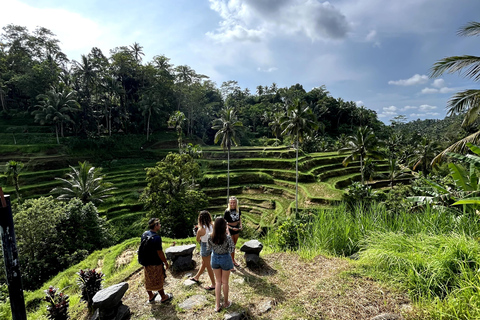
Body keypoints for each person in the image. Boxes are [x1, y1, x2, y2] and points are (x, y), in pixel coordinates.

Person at [142, 218, 173, 304]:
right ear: (155, 226)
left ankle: (151, 296)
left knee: (148, 278)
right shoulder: (156, 238)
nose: (160, 226)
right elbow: (160, 252)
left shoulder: (144, 234)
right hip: (155, 262)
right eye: (159, 224)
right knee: (158, 278)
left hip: (146, 262)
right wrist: (165, 262)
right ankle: (163, 297)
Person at [207, 217, 234, 312]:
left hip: (214, 258)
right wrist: (229, 233)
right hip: (225, 258)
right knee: (225, 282)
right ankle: (226, 302)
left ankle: (217, 305)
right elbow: (231, 249)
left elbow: (208, 248)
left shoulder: (210, 236)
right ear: (224, 227)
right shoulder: (227, 237)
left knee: (218, 282)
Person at [189, 210, 216, 290]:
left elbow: (197, 239)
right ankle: (197, 277)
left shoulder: (200, 230)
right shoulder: (213, 225)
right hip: (212, 245)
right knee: (205, 262)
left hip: (204, 246)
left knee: (208, 266)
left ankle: (213, 284)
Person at [224, 196, 242, 267]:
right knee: (230, 246)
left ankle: (232, 260)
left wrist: (241, 225)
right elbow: (225, 222)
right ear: (229, 203)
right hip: (230, 228)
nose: (232, 204)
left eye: (234, 202)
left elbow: (239, 218)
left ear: (236, 203)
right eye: (231, 202)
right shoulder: (227, 211)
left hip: (236, 228)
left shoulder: (238, 210)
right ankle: (230, 261)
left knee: (234, 245)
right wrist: (231, 228)